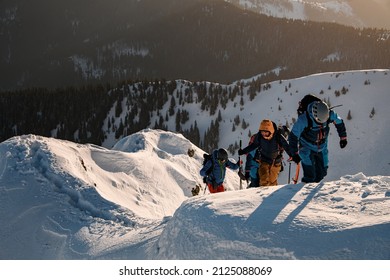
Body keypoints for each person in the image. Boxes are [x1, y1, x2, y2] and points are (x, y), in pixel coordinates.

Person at [288, 99, 347, 183]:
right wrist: (295, 154)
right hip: (306, 147)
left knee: (322, 172)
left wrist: (343, 138)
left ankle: (314, 187)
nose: (321, 123)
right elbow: (293, 136)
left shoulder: (329, 114)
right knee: (310, 175)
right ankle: (305, 188)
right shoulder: (304, 119)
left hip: (322, 146)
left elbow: (339, 122)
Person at [238, 119, 291, 187]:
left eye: (266, 133)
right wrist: (244, 151)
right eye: (262, 132)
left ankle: (272, 195)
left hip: (275, 162)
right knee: (264, 181)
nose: (264, 134)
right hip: (264, 161)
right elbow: (253, 145)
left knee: (272, 182)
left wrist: (292, 155)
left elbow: (286, 146)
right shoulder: (260, 136)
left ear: (271, 131)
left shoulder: (277, 136)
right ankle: (262, 195)